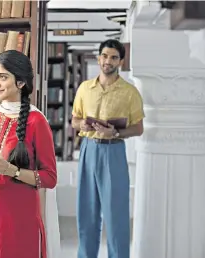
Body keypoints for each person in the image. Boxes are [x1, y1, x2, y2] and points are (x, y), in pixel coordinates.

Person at [0, 50, 58, 258]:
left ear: (21, 82)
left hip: (19, 216)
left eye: (3, 77)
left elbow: (50, 179)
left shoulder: (36, 121)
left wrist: (11, 170)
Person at [71, 39, 145, 258]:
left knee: (116, 215)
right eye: (104, 56)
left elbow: (138, 128)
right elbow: (74, 119)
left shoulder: (130, 93)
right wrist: (81, 124)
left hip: (113, 152)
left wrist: (116, 133)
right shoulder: (85, 88)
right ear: (99, 58)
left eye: (113, 57)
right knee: (86, 212)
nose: (108, 61)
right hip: (88, 150)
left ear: (120, 61)